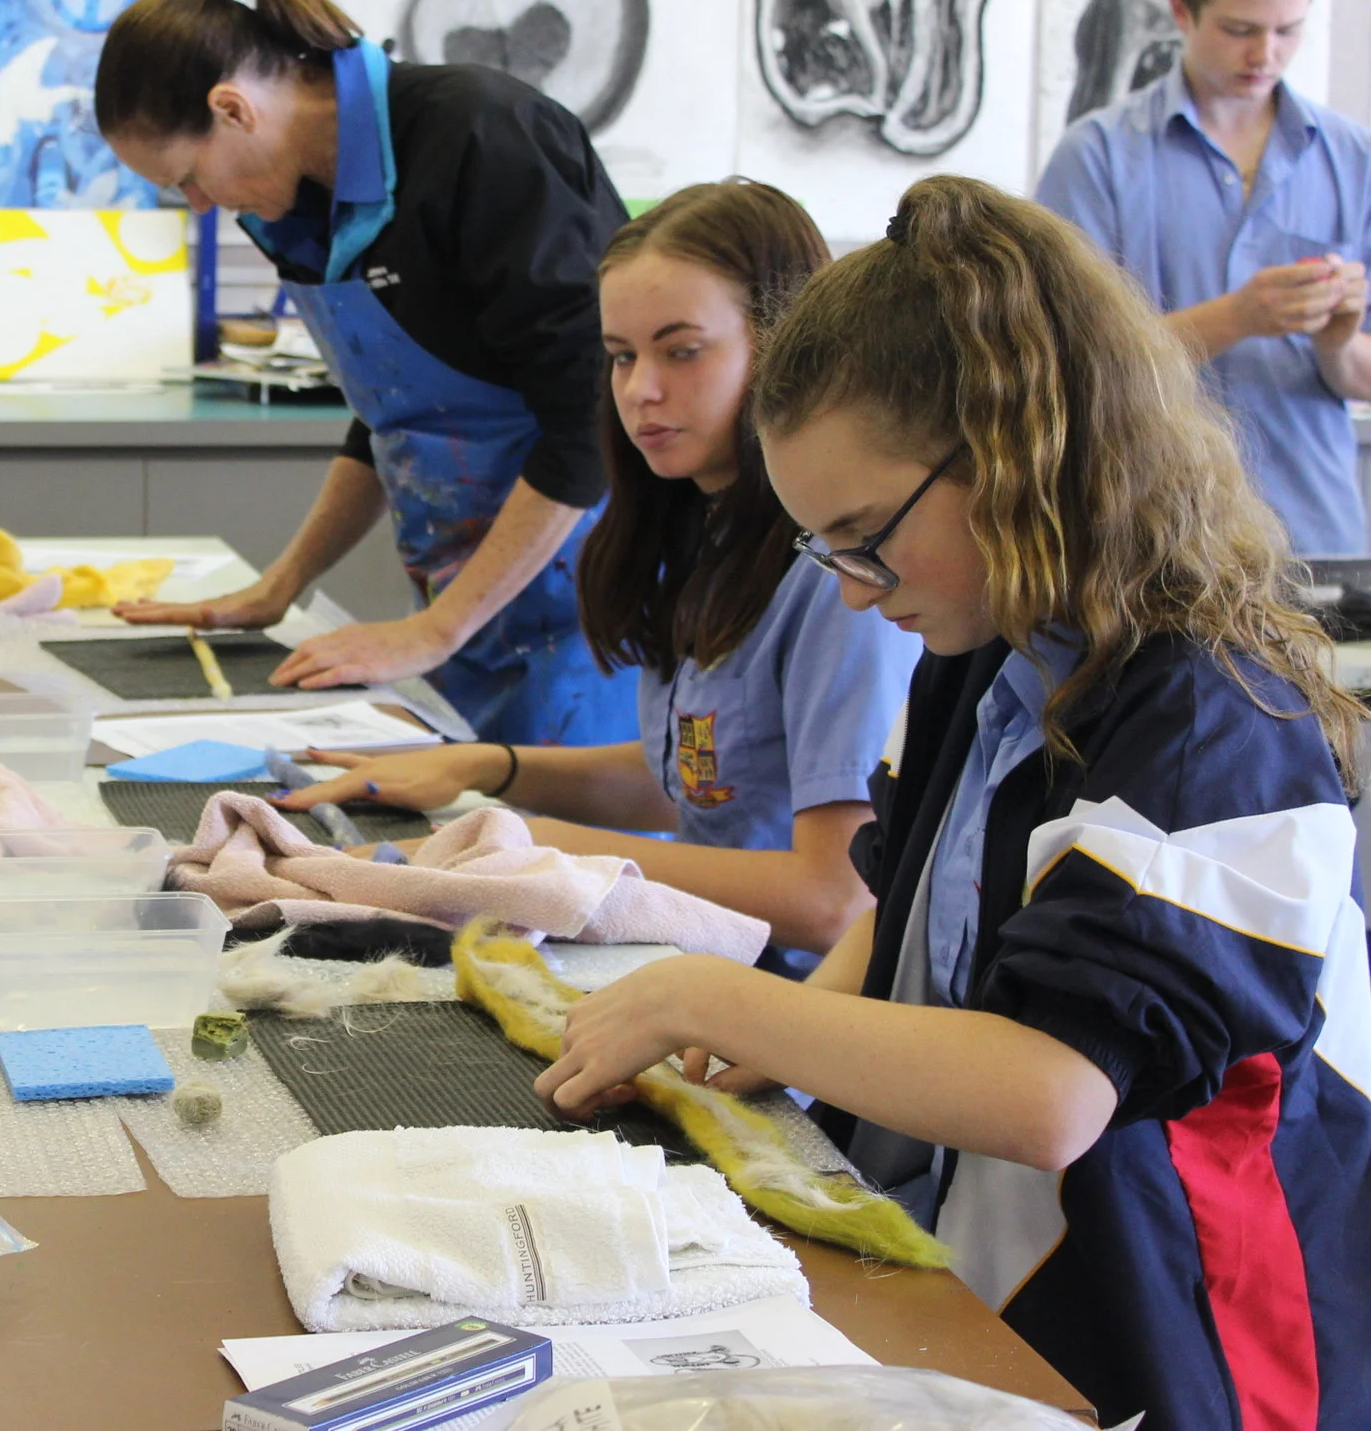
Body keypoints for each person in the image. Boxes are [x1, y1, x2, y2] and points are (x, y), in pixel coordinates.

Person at [536, 176, 1371, 1431]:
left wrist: (711, 992)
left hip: (1185, 1320)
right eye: (828, 552)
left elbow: (1049, 1092)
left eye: (867, 537)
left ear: (1017, 451)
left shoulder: (1205, 717)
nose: (858, 593)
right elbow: (908, 887)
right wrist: (797, 1028)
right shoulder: (987, 652)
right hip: (999, 1267)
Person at [278, 181, 919, 961]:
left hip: (784, 1009)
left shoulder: (832, 578)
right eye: (620, 356)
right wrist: (487, 766)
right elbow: (693, 777)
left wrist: (546, 849)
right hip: (690, 968)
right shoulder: (701, 532)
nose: (641, 391)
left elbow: (831, 902)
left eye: (682, 350)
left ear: (784, 344)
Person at [95, 0, 637, 745]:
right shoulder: (293, 203)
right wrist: (280, 587)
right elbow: (392, 411)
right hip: (467, 606)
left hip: (587, 601)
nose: (203, 207)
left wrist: (437, 630)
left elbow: (592, 416)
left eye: (188, 179)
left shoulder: (479, 137)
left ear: (234, 108)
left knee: (571, 853)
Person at [1038, 0, 1371, 557]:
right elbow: (1066, 364)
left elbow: (1360, 376)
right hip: (1152, 531)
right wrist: (1239, 316)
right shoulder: (1097, 156)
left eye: (1288, 31)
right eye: (1241, 29)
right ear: (1182, 10)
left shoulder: (1353, 156)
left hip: (1316, 533)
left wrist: (1336, 342)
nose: (1266, 55)